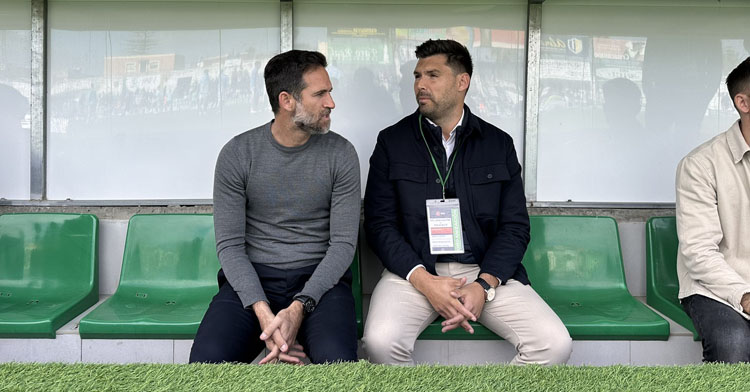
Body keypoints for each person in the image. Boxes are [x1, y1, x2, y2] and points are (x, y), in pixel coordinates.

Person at [362, 39, 571, 365]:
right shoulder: (393, 141)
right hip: (414, 271)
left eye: (432, 75)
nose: (420, 85)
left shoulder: (498, 144)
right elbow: (379, 225)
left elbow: (515, 227)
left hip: (484, 270)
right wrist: (425, 281)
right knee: (379, 342)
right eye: (417, 76)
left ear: (462, 82)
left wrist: (483, 285)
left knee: (553, 344)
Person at [189, 50, 361, 365]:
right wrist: (263, 312)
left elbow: (343, 245)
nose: (330, 103)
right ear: (287, 101)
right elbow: (229, 246)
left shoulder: (341, 154)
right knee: (206, 362)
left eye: (330, 93)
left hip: (320, 283)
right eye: (320, 94)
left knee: (338, 363)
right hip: (253, 282)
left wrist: (298, 308)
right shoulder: (238, 154)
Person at [676, 56, 750, 363]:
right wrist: (745, 297)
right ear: (743, 103)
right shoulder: (700, 164)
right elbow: (699, 252)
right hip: (716, 286)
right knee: (733, 344)